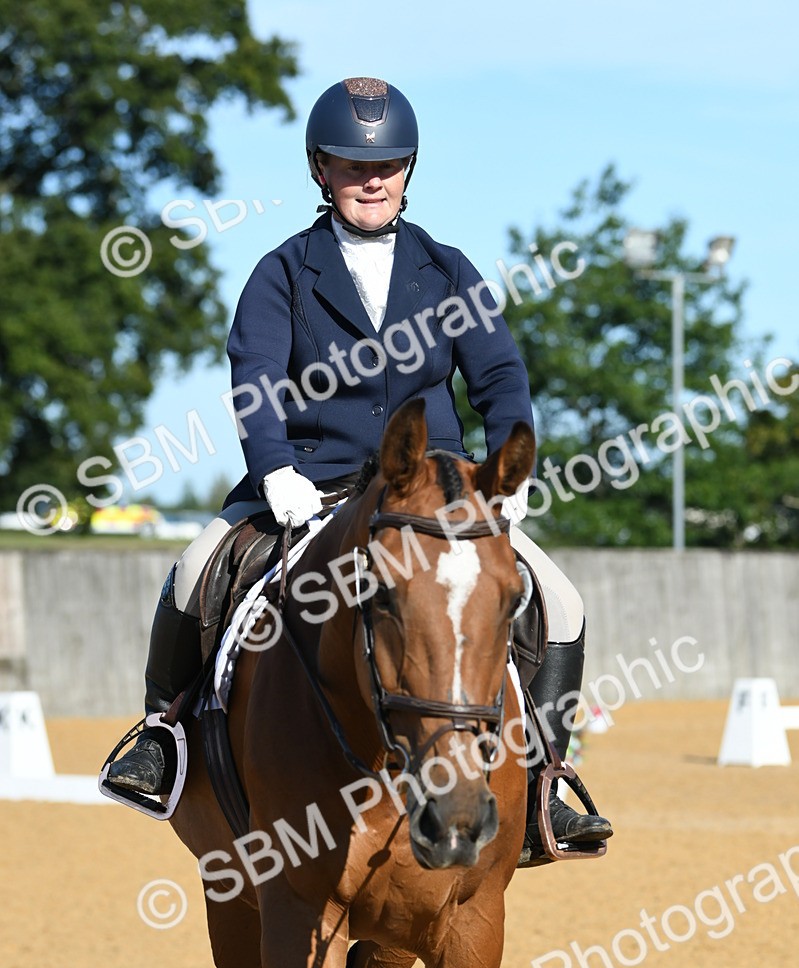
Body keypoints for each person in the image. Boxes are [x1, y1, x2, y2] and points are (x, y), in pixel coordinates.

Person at [106, 76, 613, 862]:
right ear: (321, 169)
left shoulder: (447, 270)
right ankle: (161, 737)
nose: (370, 179)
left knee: (563, 599)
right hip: (311, 483)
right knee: (193, 564)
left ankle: (549, 776)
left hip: (432, 491)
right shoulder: (282, 271)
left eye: (387, 165)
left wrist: (503, 481)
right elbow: (255, 376)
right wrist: (273, 468)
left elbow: (501, 380)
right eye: (350, 164)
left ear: (409, 170)